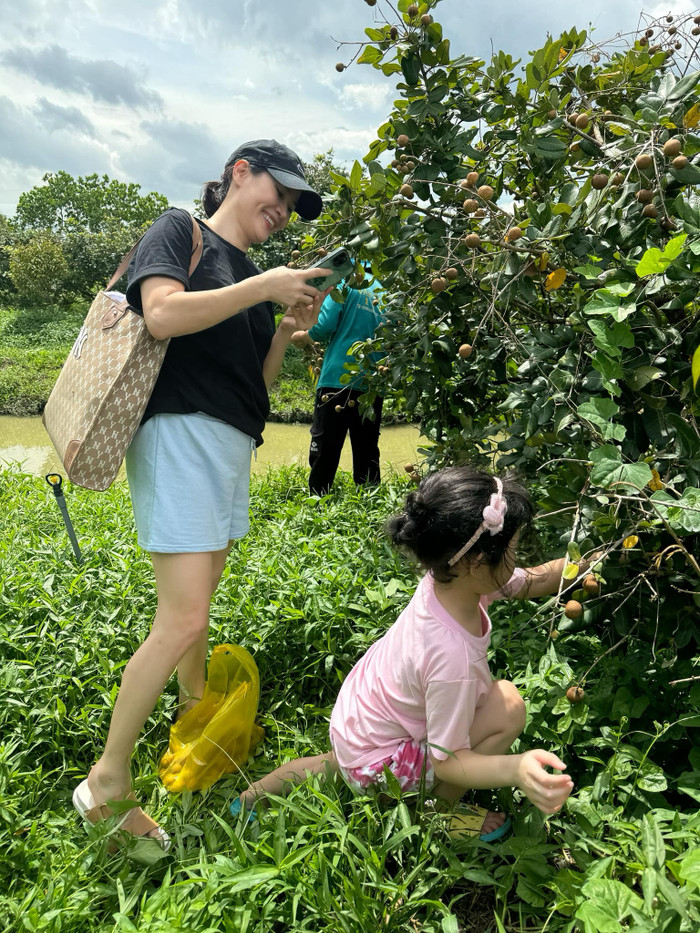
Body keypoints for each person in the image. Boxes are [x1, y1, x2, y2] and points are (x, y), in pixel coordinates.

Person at [72, 139, 333, 858]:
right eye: (279, 193)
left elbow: (254, 382)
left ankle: (192, 715)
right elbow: (161, 315)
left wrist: (285, 330)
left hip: (226, 442)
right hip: (178, 434)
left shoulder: (253, 276)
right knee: (183, 616)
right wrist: (262, 288)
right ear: (239, 173)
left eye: (294, 207)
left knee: (200, 604)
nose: (283, 212)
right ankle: (106, 781)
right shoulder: (179, 231)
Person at [232, 466, 583, 839]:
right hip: (382, 764)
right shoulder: (452, 658)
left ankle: (250, 797)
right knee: (508, 706)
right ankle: (435, 814)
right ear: (478, 560)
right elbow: (449, 763)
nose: (516, 555)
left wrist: (584, 563)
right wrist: (515, 767)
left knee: (336, 764)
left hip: (358, 728)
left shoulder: (446, 576)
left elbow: (527, 581)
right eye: (512, 547)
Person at [290, 272, 385, 495]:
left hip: (337, 379)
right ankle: (370, 498)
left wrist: (304, 337)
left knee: (325, 446)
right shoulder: (383, 291)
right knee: (367, 449)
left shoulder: (344, 283)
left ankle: (318, 499)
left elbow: (324, 325)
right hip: (372, 382)